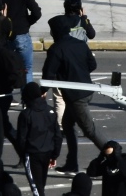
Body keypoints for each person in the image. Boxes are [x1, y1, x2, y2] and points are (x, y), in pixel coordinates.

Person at [42, 16, 108, 174]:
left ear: (55, 31)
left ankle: (115, 157)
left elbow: (48, 73)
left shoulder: (56, 49)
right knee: (67, 125)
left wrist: (42, 91)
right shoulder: (80, 44)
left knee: (90, 130)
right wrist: (80, 73)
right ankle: (72, 163)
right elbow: (92, 64)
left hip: (76, 97)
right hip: (86, 90)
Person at [49, 0, 96, 129]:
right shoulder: (83, 21)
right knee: (78, 97)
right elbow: (92, 34)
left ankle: (61, 125)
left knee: (59, 97)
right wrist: (84, 17)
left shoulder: (59, 23)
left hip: (62, 61)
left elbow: (53, 34)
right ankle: (79, 123)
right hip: (80, 63)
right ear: (80, 9)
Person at [16, 81, 61, 196]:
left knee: (36, 187)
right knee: (41, 184)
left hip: (32, 154)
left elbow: (21, 139)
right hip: (47, 152)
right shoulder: (50, 111)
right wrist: (54, 155)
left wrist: (23, 154)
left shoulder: (26, 114)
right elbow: (57, 135)